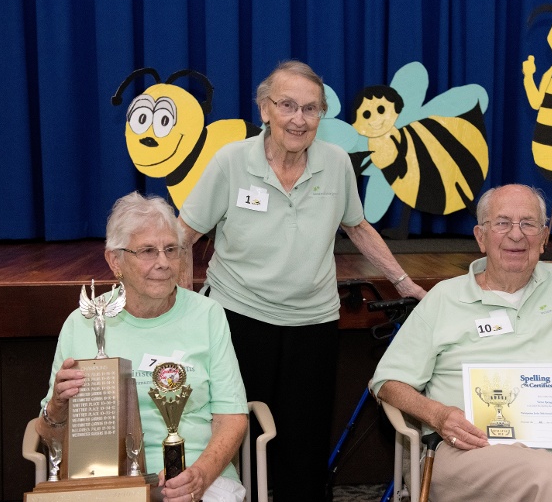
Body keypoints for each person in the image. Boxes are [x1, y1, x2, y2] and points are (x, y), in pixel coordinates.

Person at [177, 60, 426, 502]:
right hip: (238, 318)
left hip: (312, 324)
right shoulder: (232, 161)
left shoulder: (334, 163)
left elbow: (359, 226)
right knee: (231, 436)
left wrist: (403, 282)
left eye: (311, 109)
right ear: (264, 108)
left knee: (305, 445)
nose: (298, 118)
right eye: (287, 105)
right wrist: (183, 305)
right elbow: (185, 233)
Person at [370, 184, 552, 501]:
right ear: (480, 236)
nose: (516, 235)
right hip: (467, 452)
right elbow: (388, 382)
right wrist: (437, 416)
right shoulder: (445, 298)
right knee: (551, 480)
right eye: (502, 223)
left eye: (528, 224)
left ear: (544, 238)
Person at [37, 192, 249, 502]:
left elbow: (232, 417)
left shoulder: (207, 315)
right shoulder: (83, 322)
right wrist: (57, 405)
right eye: (148, 251)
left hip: (198, 474)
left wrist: (200, 475)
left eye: (171, 250)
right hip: (107, 482)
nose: (163, 263)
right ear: (115, 260)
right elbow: (48, 434)